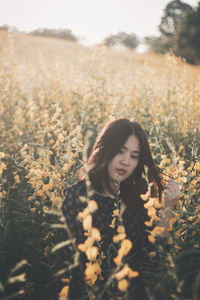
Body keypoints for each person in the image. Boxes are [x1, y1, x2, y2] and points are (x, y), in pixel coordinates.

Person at [60, 118, 180, 299]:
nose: (126, 161)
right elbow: (71, 266)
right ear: (104, 149)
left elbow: (154, 261)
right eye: (120, 152)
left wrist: (166, 211)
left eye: (134, 156)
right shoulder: (76, 197)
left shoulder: (137, 198)